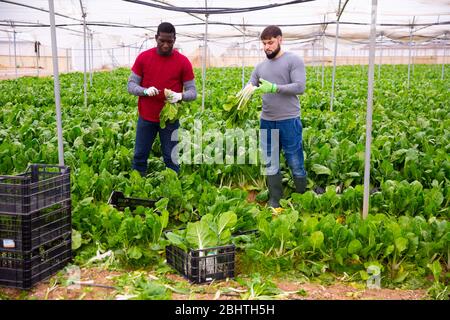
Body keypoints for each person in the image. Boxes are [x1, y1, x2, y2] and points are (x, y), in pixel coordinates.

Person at [245, 25, 307, 208]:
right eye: (264, 44)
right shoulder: (260, 67)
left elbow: (299, 87)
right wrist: (243, 94)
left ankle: (302, 197)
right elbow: (250, 83)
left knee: (294, 160)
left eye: (270, 42)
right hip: (267, 121)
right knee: (270, 161)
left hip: (289, 120)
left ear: (280, 39)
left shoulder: (293, 60)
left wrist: (275, 88)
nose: (267, 47)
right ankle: (275, 199)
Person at [127, 22, 197, 176]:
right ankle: (137, 184)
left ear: (174, 39)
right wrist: (145, 91)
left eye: (170, 42)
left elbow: (193, 92)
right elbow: (131, 86)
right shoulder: (143, 58)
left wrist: (181, 96)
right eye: (162, 41)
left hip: (170, 119)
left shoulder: (183, 61)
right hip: (146, 117)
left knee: (171, 157)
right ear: (156, 38)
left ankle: (173, 189)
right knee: (140, 155)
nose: (165, 45)